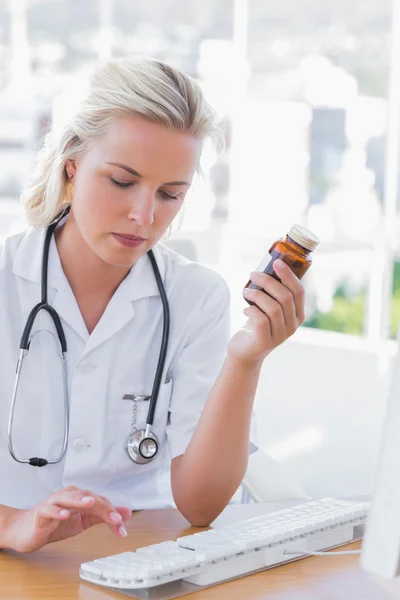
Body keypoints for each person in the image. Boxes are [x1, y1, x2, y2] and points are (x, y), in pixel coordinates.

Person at [0, 57, 305, 553]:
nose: (143, 215)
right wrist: (11, 525)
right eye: (122, 181)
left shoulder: (196, 297)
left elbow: (200, 506)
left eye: (170, 194)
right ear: (71, 165)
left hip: (145, 558)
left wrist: (245, 360)